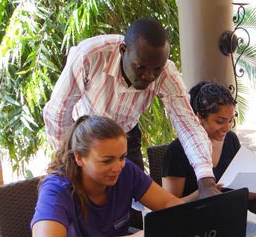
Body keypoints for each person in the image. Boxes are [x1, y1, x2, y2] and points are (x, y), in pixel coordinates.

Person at [43, 18, 218, 197]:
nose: (149, 76)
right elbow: (58, 112)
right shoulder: (90, 56)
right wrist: (70, 157)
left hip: (126, 138)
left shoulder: (166, 73)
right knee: (83, 200)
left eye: (156, 69)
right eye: (140, 67)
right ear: (123, 51)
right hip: (87, 139)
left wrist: (205, 180)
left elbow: (187, 124)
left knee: (133, 203)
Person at [30, 115, 183, 237]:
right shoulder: (57, 189)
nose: (117, 167)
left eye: (122, 157)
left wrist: (201, 222)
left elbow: (167, 203)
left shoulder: (127, 171)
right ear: (79, 158)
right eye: (106, 161)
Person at [162, 82, 256, 202]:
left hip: (226, 217)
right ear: (200, 117)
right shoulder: (177, 151)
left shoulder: (230, 140)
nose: (227, 128)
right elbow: (168, 208)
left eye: (230, 120)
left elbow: (239, 193)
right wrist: (203, 191)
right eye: (220, 121)